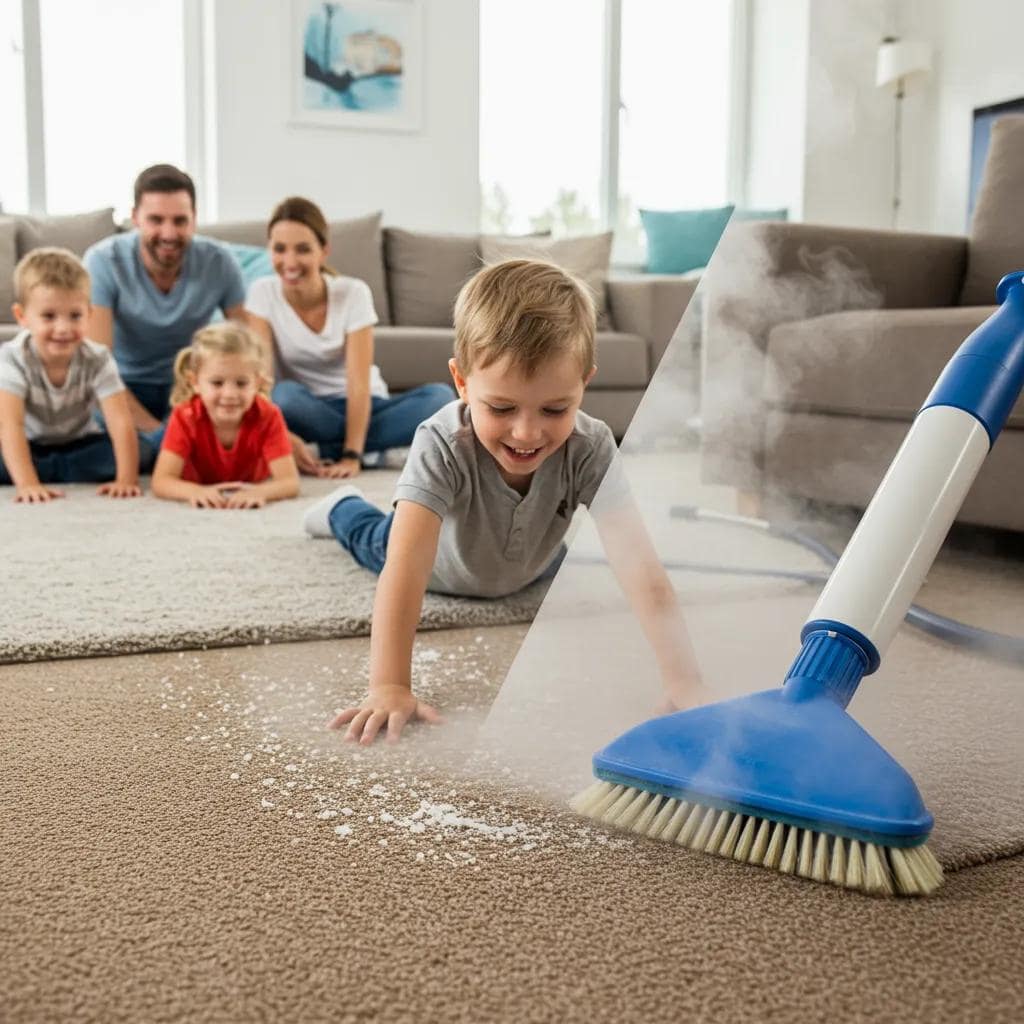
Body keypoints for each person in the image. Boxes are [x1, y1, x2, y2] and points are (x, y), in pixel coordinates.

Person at [301, 259, 705, 744]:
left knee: (575, 563)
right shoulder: (440, 442)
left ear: (585, 382)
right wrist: (389, 686)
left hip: (531, 562)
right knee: (371, 537)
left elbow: (642, 569)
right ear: (462, 382)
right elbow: (405, 569)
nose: (527, 433)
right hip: (437, 563)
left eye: (555, 409)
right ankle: (341, 505)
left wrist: (685, 681)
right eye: (501, 407)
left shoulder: (592, 446)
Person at [245, 196, 454, 479]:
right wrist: (282, 433)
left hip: (367, 405)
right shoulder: (262, 293)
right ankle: (378, 450)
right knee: (284, 397)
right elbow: (264, 381)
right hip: (307, 409)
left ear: (324, 251)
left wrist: (351, 455)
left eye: (303, 249)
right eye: (279, 249)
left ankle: (326, 449)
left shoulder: (353, 293)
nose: (290, 261)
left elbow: (358, 383)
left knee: (440, 398)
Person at [84, 164, 246, 436]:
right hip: (123, 385)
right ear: (136, 218)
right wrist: (161, 435)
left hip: (190, 386)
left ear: (194, 219)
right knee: (116, 439)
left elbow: (247, 349)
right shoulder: (103, 261)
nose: (169, 234)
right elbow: (98, 368)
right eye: (156, 220)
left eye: (180, 221)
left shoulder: (220, 261)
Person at [0, 248, 142, 502]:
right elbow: (11, 425)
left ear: (89, 314)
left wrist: (126, 480)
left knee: (144, 450)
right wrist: (28, 485)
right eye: (49, 316)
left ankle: (51, 469)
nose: (63, 328)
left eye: (75, 316)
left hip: (80, 443)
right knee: (7, 453)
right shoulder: (13, 357)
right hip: (28, 444)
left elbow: (119, 420)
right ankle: (43, 471)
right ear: (22, 316)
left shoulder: (98, 357)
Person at [151, 322, 299, 509]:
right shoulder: (184, 415)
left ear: (257, 383)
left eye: (241, 383)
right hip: (197, 480)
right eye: (217, 383)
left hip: (251, 482)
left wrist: (260, 492)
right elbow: (161, 481)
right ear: (195, 382)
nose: (229, 394)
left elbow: (289, 482)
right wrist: (194, 492)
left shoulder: (269, 415)